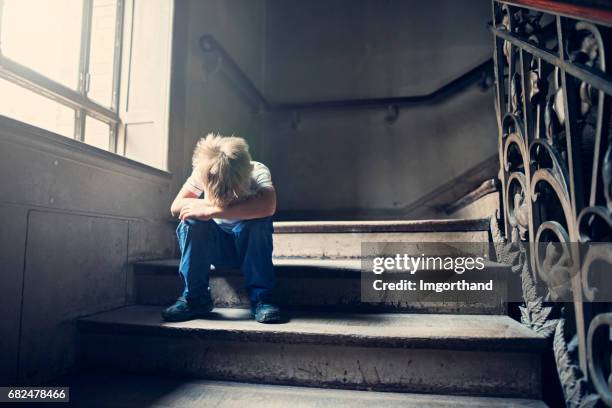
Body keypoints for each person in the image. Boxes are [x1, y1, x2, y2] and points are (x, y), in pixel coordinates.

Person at [163, 133, 280, 323]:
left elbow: (268, 206)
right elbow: (176, 207)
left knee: (259, 222)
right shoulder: (204, 169)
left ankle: (262, 299)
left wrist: (211, 210)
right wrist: (205, 211)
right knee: (191, 221)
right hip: (217, 249)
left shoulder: (257, 171)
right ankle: (195, 298)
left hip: (247, 250)